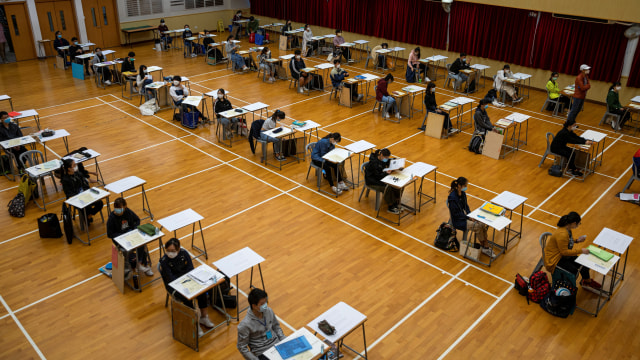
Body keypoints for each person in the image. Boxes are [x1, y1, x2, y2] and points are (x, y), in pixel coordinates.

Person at [159, 238, 216, 337]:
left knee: (202, 292)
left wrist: (189, 281)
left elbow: (190, 268)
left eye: (173, 251)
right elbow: (171, 278)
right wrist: (184, 283)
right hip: (175, 286)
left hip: (189, 280)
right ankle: (195, 324)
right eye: (168, 251)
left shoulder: (184, 254)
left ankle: (203, 317)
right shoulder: (164, 261)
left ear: (179, 249)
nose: (170, 253)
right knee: (187, 298)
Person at [544, 211, 601, 289]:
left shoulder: (567, 229)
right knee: (573, 270)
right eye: (578, 223)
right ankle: (568, 287)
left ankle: (587, 282)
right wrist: (581, 251)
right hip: (555, 259)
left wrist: (577, 240)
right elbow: (564, 252)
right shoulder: (562, 233)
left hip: (562, 256)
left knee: (583, 264)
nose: (578, 225)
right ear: (574, 223)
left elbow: (566, 241)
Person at [447, 177, 495, 258]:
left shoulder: (463, 194)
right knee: (478, 226)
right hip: (459, 220)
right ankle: (484, 246)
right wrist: (468, 218)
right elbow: (456, 214)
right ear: (459, 186)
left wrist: (471, 215)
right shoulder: (452, 198)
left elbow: (466, 207)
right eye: (465, 185)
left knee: (482, 223)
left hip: (466, 216)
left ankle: (484, 245)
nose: (466, 187)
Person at [106, 197, 153, 278]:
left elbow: (137, 219)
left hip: (131, 234)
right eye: (116, 208)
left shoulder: (128, 211)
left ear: (125, 207)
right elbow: (110, 234)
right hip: (120, 239)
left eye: (120, 208)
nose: (118, 210)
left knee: (142, 244)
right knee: (130, 248)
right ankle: (132, 266)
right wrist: (121, 236)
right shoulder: (111, 218)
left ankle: (141, 264)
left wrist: (134, 229)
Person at [237, 288, 285, 360]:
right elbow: (242, 347)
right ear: (254, 306)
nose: (265, 305)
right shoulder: (244, 325)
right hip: (262, 352)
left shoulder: (269, 311)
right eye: (262, 304)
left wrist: (283, 339)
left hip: (276, 343)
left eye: (265, 302)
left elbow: (276, 326)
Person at [60, 158, 103, 223]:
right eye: (74, 165)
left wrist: (87, 192)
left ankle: (89, 215)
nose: (76, 166)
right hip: (76, 199)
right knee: (87, 207)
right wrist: (80, 197)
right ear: (69, 168)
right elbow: (68, 193)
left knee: (100, 203)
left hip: (85, 195)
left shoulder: (78, 174)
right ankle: (86, 216)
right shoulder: (65, 180)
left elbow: (85, 185)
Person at [364, 148, 403, 214]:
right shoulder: (374, 163)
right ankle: (391, 206)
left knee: (395, 184)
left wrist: (396, 162)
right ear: (381, 155)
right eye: (386, 157)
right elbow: (377, 176)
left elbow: (389, 161)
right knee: (388, 187)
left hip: (380, 178)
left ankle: (396, 202)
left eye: (388, 157)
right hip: (372, 181)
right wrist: (386, 173)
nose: (387, 159)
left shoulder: (382, 159)